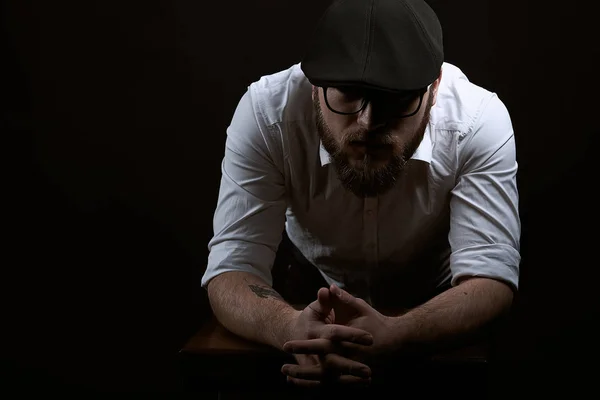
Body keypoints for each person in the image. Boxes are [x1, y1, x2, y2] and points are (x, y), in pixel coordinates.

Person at [201, 0, 520, 390]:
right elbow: (231, 269)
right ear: (314, 85)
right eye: (348, 94)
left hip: (435, 310)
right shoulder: (267, 114)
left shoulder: (478, 121)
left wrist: (400, 333)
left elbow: (491, 277)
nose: (368, 122)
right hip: (305, 299)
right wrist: (291, 326)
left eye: (397, 99)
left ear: (434, 87)